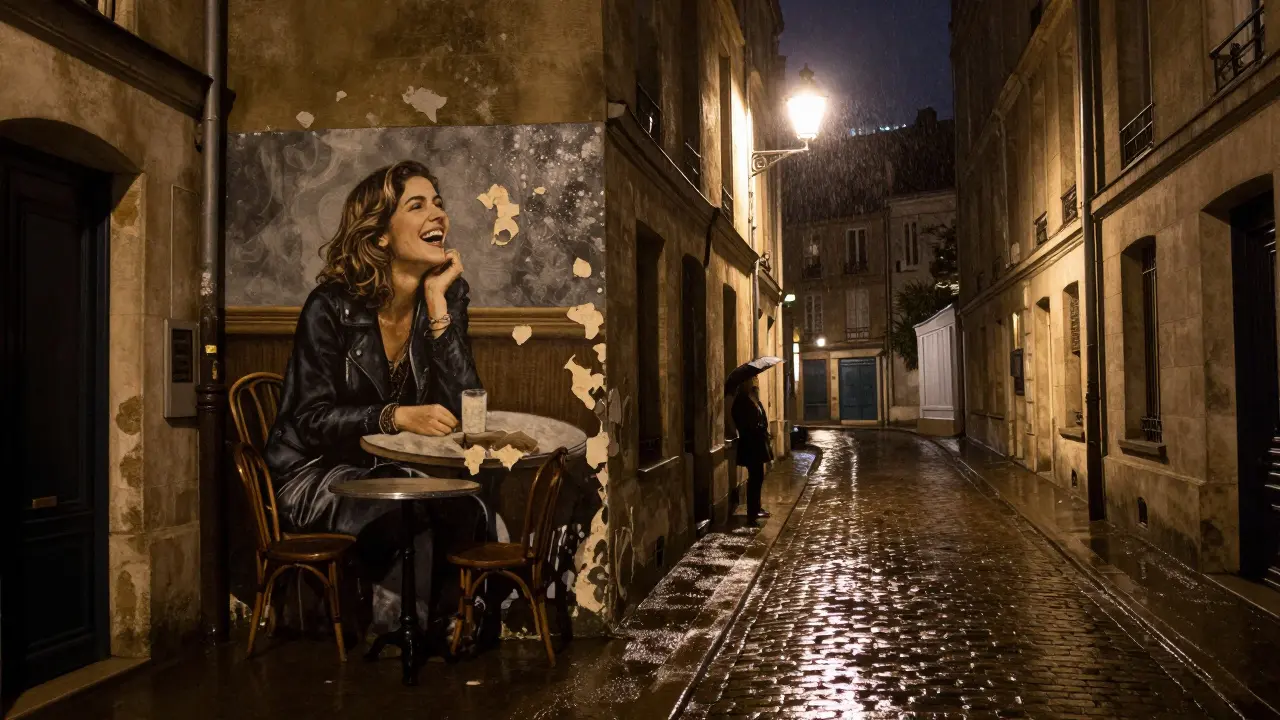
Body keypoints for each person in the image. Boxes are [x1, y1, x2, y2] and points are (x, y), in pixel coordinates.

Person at [264, 160, 483, 634]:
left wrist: (439, 306)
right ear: (380, 234)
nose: (438, 216)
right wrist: (395, 416)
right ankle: (401, 636)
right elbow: (309, 421)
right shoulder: (330, 306)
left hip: (383, 471)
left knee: (466, 506)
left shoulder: (445, 293)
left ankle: (431, 630)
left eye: (439, 204)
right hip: (312, 474)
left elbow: (466, 406)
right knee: (408, 505)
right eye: (417, 205)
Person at [731, 380, 774, 524]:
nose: (754, 381)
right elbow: (746, 424)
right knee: (755, 477)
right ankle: (752, 512)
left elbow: (762, 419)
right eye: (751, 380)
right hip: (751, 445)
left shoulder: (754, 400)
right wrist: (757, 426)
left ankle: (756, 508)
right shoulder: (741, 402)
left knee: (758, 477)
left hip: (758, 444)